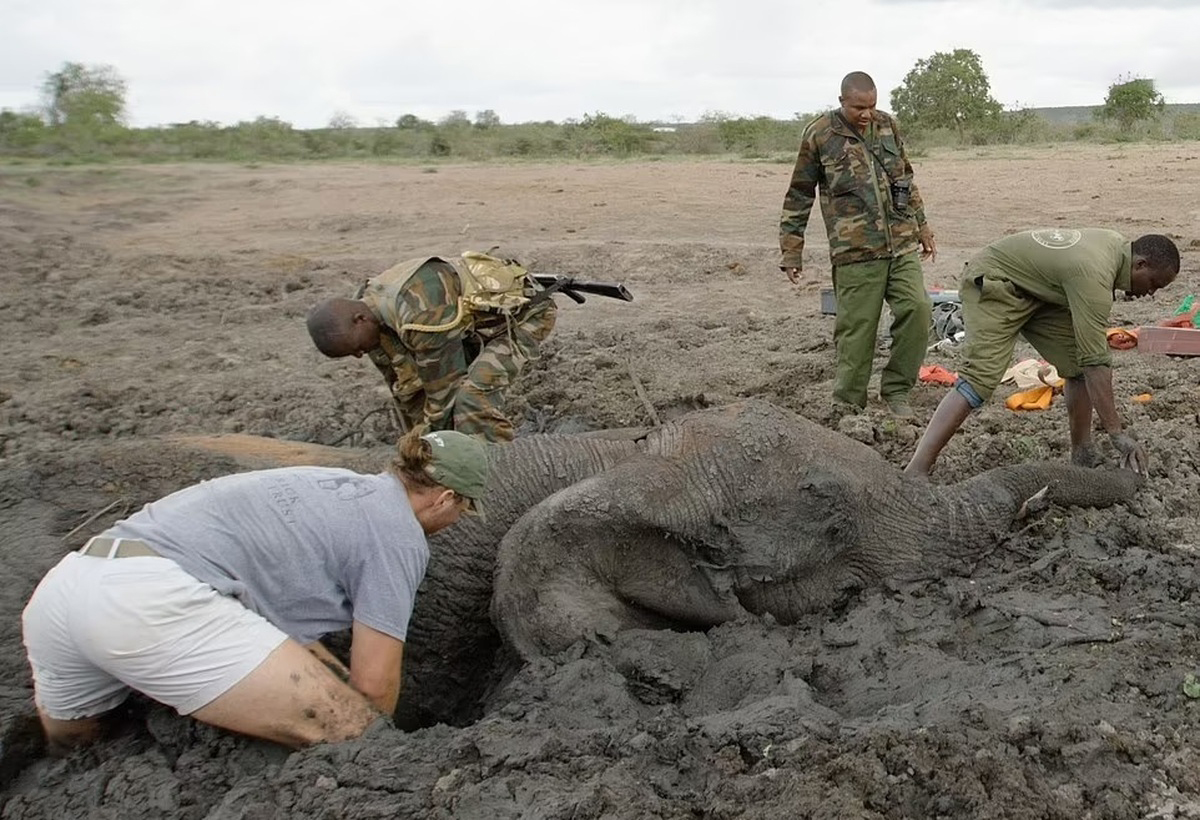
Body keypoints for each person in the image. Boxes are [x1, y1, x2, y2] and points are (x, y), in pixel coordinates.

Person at [21, 428, 488, 751]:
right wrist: (381, 741)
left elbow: (281, 633)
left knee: (78, 754)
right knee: (354, 734)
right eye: (462, 512)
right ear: (445, 498)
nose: (454, 524)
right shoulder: (397, 532)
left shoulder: (326, 487)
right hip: (149, 606)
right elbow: (374, 683)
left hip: (67, 588)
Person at [904, 229, 1181, 478]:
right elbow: (1097, 362)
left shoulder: (1114, 246)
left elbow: (1086, 361)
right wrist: (1117, 434)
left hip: (1039, 292)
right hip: (997, 282)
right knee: (979, 379)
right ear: (1140, 264)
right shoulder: (1094, 275)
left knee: (1075, 365)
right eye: (1154, 283)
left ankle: (1082, 453)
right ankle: (916, 468)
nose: (1152, 293)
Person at [779, 70, 937, 418]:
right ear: (841, 102)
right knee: (857, 332)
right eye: (858, 107)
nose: (866, 114)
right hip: (855, 252)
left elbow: (905, 177)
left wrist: (922, 226)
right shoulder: (819, 133)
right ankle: (848, 406)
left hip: (900, 244)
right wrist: (792, 249)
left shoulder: (887, 126)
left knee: (918, 310)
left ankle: (897, 392)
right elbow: (799, 193)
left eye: (872, 106)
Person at [306, 252, 557, 443]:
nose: (361, 354)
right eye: (354, 353)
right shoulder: (367, 314)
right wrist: (415, 442)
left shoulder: (418, 314)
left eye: (357, 348)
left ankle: (494, 469)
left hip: (523, 318)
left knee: (471, 398)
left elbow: (444, 392)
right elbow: (407, 389)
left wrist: (434, 445)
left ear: (360, 320)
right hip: (467, 329)